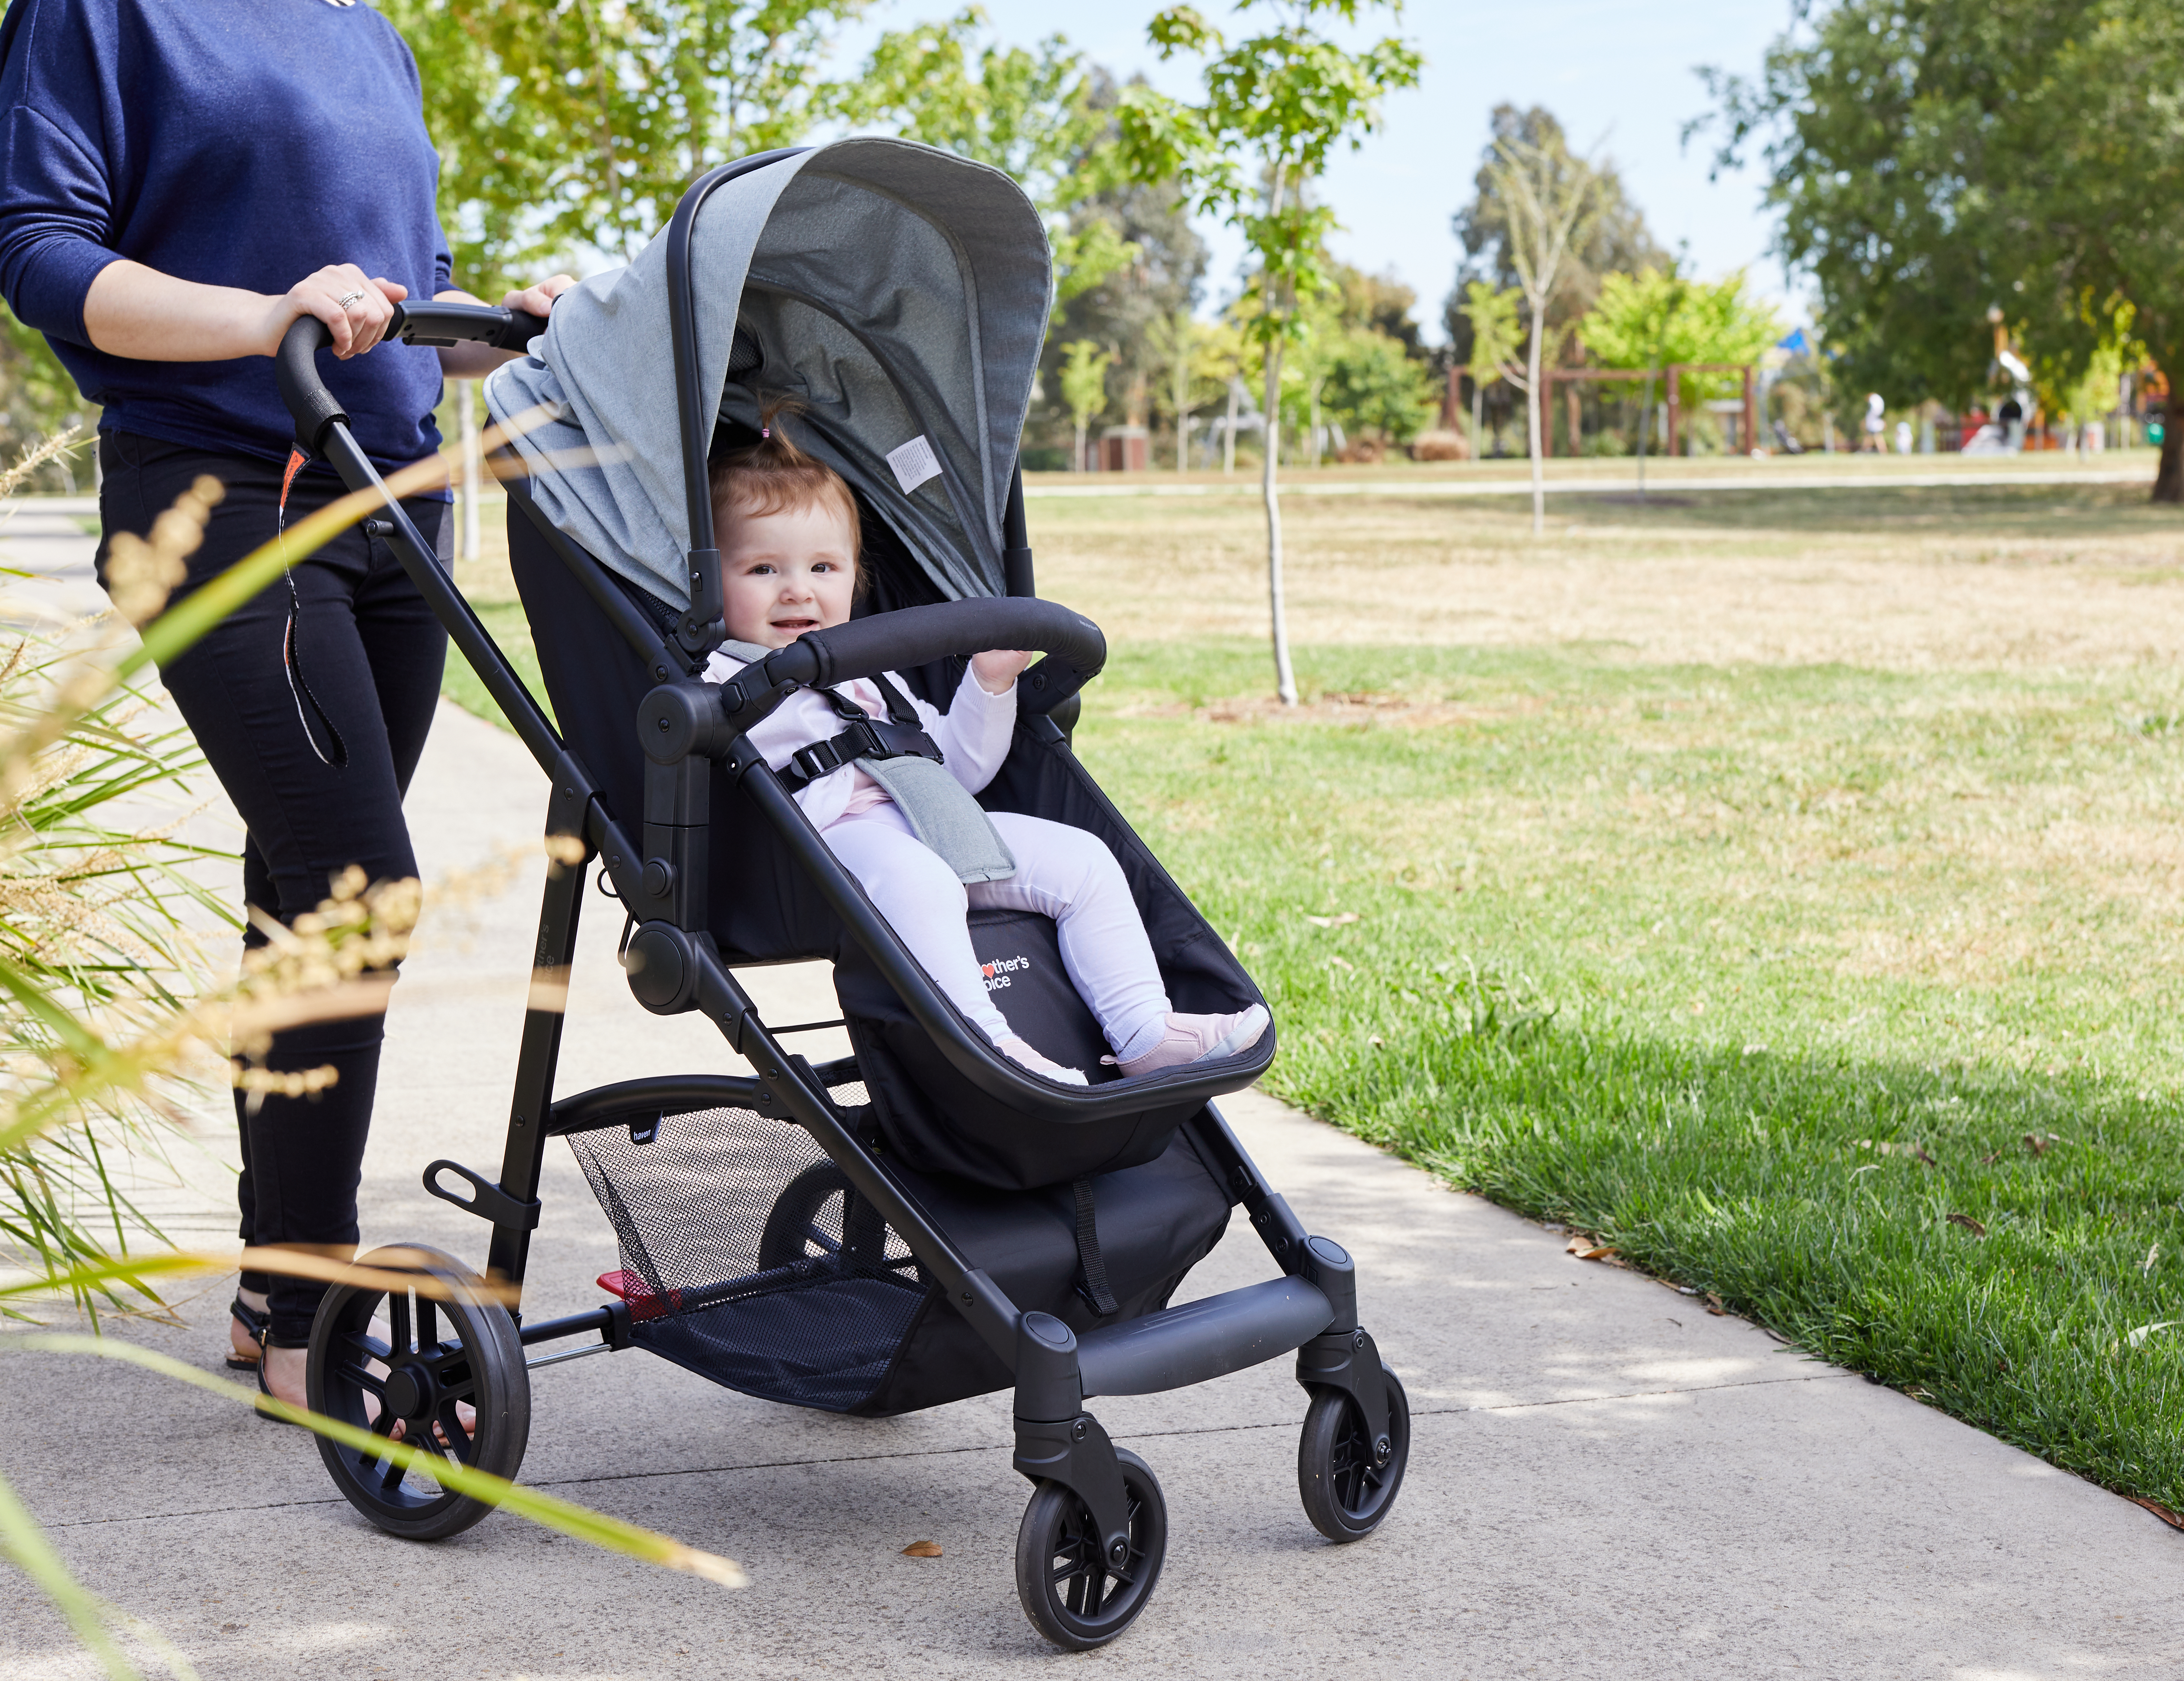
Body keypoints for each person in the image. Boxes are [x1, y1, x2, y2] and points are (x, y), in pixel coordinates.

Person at [0, 0, 574, 1408]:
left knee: (303, 898)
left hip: (388, 503)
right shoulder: (101, 12)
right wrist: (268, 319)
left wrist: (500, 328)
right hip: (218, 492)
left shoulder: (365, 29)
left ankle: (272, 1293)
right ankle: (317, 1295)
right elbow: (40, 256)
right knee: (358, 884)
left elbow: (388, 300)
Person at [703, 415, 1269, 1083]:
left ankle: (1146, 1029)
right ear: (714, 581)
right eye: (764, 568)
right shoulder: (718, 679)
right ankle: (990, 1047)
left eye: (823, 567)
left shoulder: (872, 676)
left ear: (856, 578)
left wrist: (989, 684)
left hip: (933, 829)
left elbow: (956, 768)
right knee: (923, 880)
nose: (798, 588)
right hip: (818, 854)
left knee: (1082, 859)